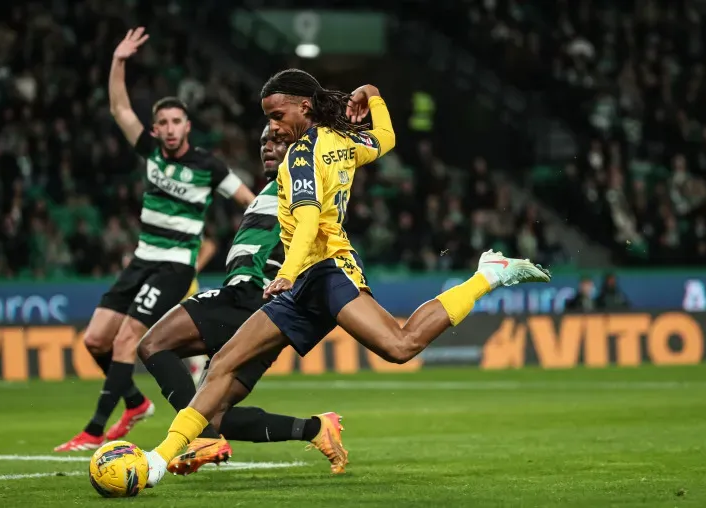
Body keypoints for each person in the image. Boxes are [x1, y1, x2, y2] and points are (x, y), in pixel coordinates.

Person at [136, 68, 551, 487]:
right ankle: (158, 460)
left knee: (400, 345)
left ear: (305, 106)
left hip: (326, 270)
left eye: (278, 116)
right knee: (224, 362)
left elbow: (309, 219)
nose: (273, 127)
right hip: (305, 282)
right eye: (269, 118)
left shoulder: (300, 154)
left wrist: (288, 272)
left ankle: (488, 275)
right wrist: (373, 93)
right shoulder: (344, 141)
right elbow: (386, 138)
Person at [55, 27, 255, 452]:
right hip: (141, 261)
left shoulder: (209, 166)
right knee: (95, 340)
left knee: (127, 339)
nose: (167, 128)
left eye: (175, 121)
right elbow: (119, 108)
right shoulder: (149, 152)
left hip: (175, 265)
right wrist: (118, 60)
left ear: (187, 126)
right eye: (161, 122)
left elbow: (248, 201)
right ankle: (135, 403)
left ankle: (93, 430)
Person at [137, 125, 345, 475]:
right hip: (270, 310)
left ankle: (202, 438)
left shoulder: (299, 184)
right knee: (214, 414)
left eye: (278, 140)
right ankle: (315, 428)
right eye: (264, 140)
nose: (267, 145)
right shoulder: (273, 187)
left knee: (153, 345)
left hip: (251, 294)